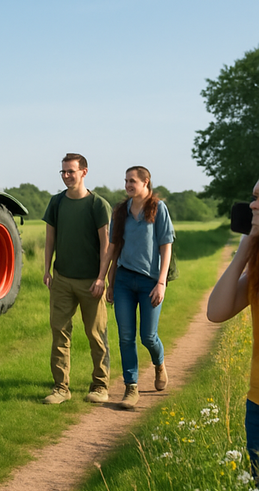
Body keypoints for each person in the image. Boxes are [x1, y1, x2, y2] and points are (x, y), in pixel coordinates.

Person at [42, 153, 112, 405]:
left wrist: (101, 278)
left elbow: (107, 245)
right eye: (63, 172)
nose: (66, 176)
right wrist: (47, 269)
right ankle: (61, 388)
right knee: (59, 333)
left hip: (91, 282)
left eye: (71, 171)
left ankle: (101, 385)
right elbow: (50, 238)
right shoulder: (56, 202)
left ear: (84, 172)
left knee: (96, 334)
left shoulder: (98, 205)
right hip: (61, 279)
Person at [103, 166, 173, 409]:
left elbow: (166, 247)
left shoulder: (158, 209)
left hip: (150, 283)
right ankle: (131, 387)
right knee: (125, 336)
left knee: (148, 336)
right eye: (126, 181)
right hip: (123, 280)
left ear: (146, 183)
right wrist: (108, 281)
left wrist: (161, 283)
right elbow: (114, 249)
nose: (128, 185)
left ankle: (159, 363)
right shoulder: (120, 211)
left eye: (132, 181)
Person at [207, 178, 259, 477]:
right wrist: (245, 250)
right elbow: (216, 311)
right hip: (258, 403)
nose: (252, 204)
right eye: (252, 196)